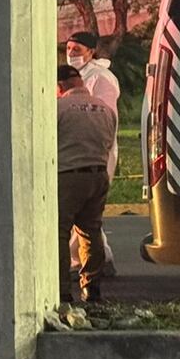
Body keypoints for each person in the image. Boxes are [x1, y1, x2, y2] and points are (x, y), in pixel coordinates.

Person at [56, 64, 117, 303]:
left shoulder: (59, 107)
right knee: (91, 231)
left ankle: (62, 290)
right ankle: (92, 288)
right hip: (99, 174)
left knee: (60, 231)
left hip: (69, 175)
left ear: (60, 86)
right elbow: (110, 142)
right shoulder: (104, 109)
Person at [65, 31, 120, 276]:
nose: (71, 53)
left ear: (91, 51)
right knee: (87, 214)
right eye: (68, 48)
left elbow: (106, 117)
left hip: (97, 149)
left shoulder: (100, 77)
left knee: (84, 211)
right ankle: (94, 261)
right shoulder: (81, 76)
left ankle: (93, 263)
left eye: (77, 49)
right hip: (81, 149)